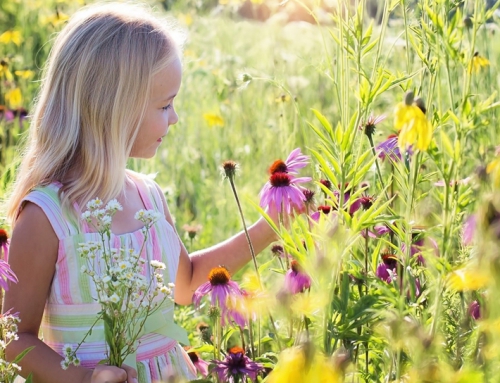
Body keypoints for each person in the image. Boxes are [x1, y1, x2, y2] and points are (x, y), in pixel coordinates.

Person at [2, 3, 277, 383]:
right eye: (165, 105)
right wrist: (84, 379)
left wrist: (269, 227)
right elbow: (14, 339)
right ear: (113, 109)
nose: (175, 117)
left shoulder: (149, 196)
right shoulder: (47, 217)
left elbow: (186, 283)